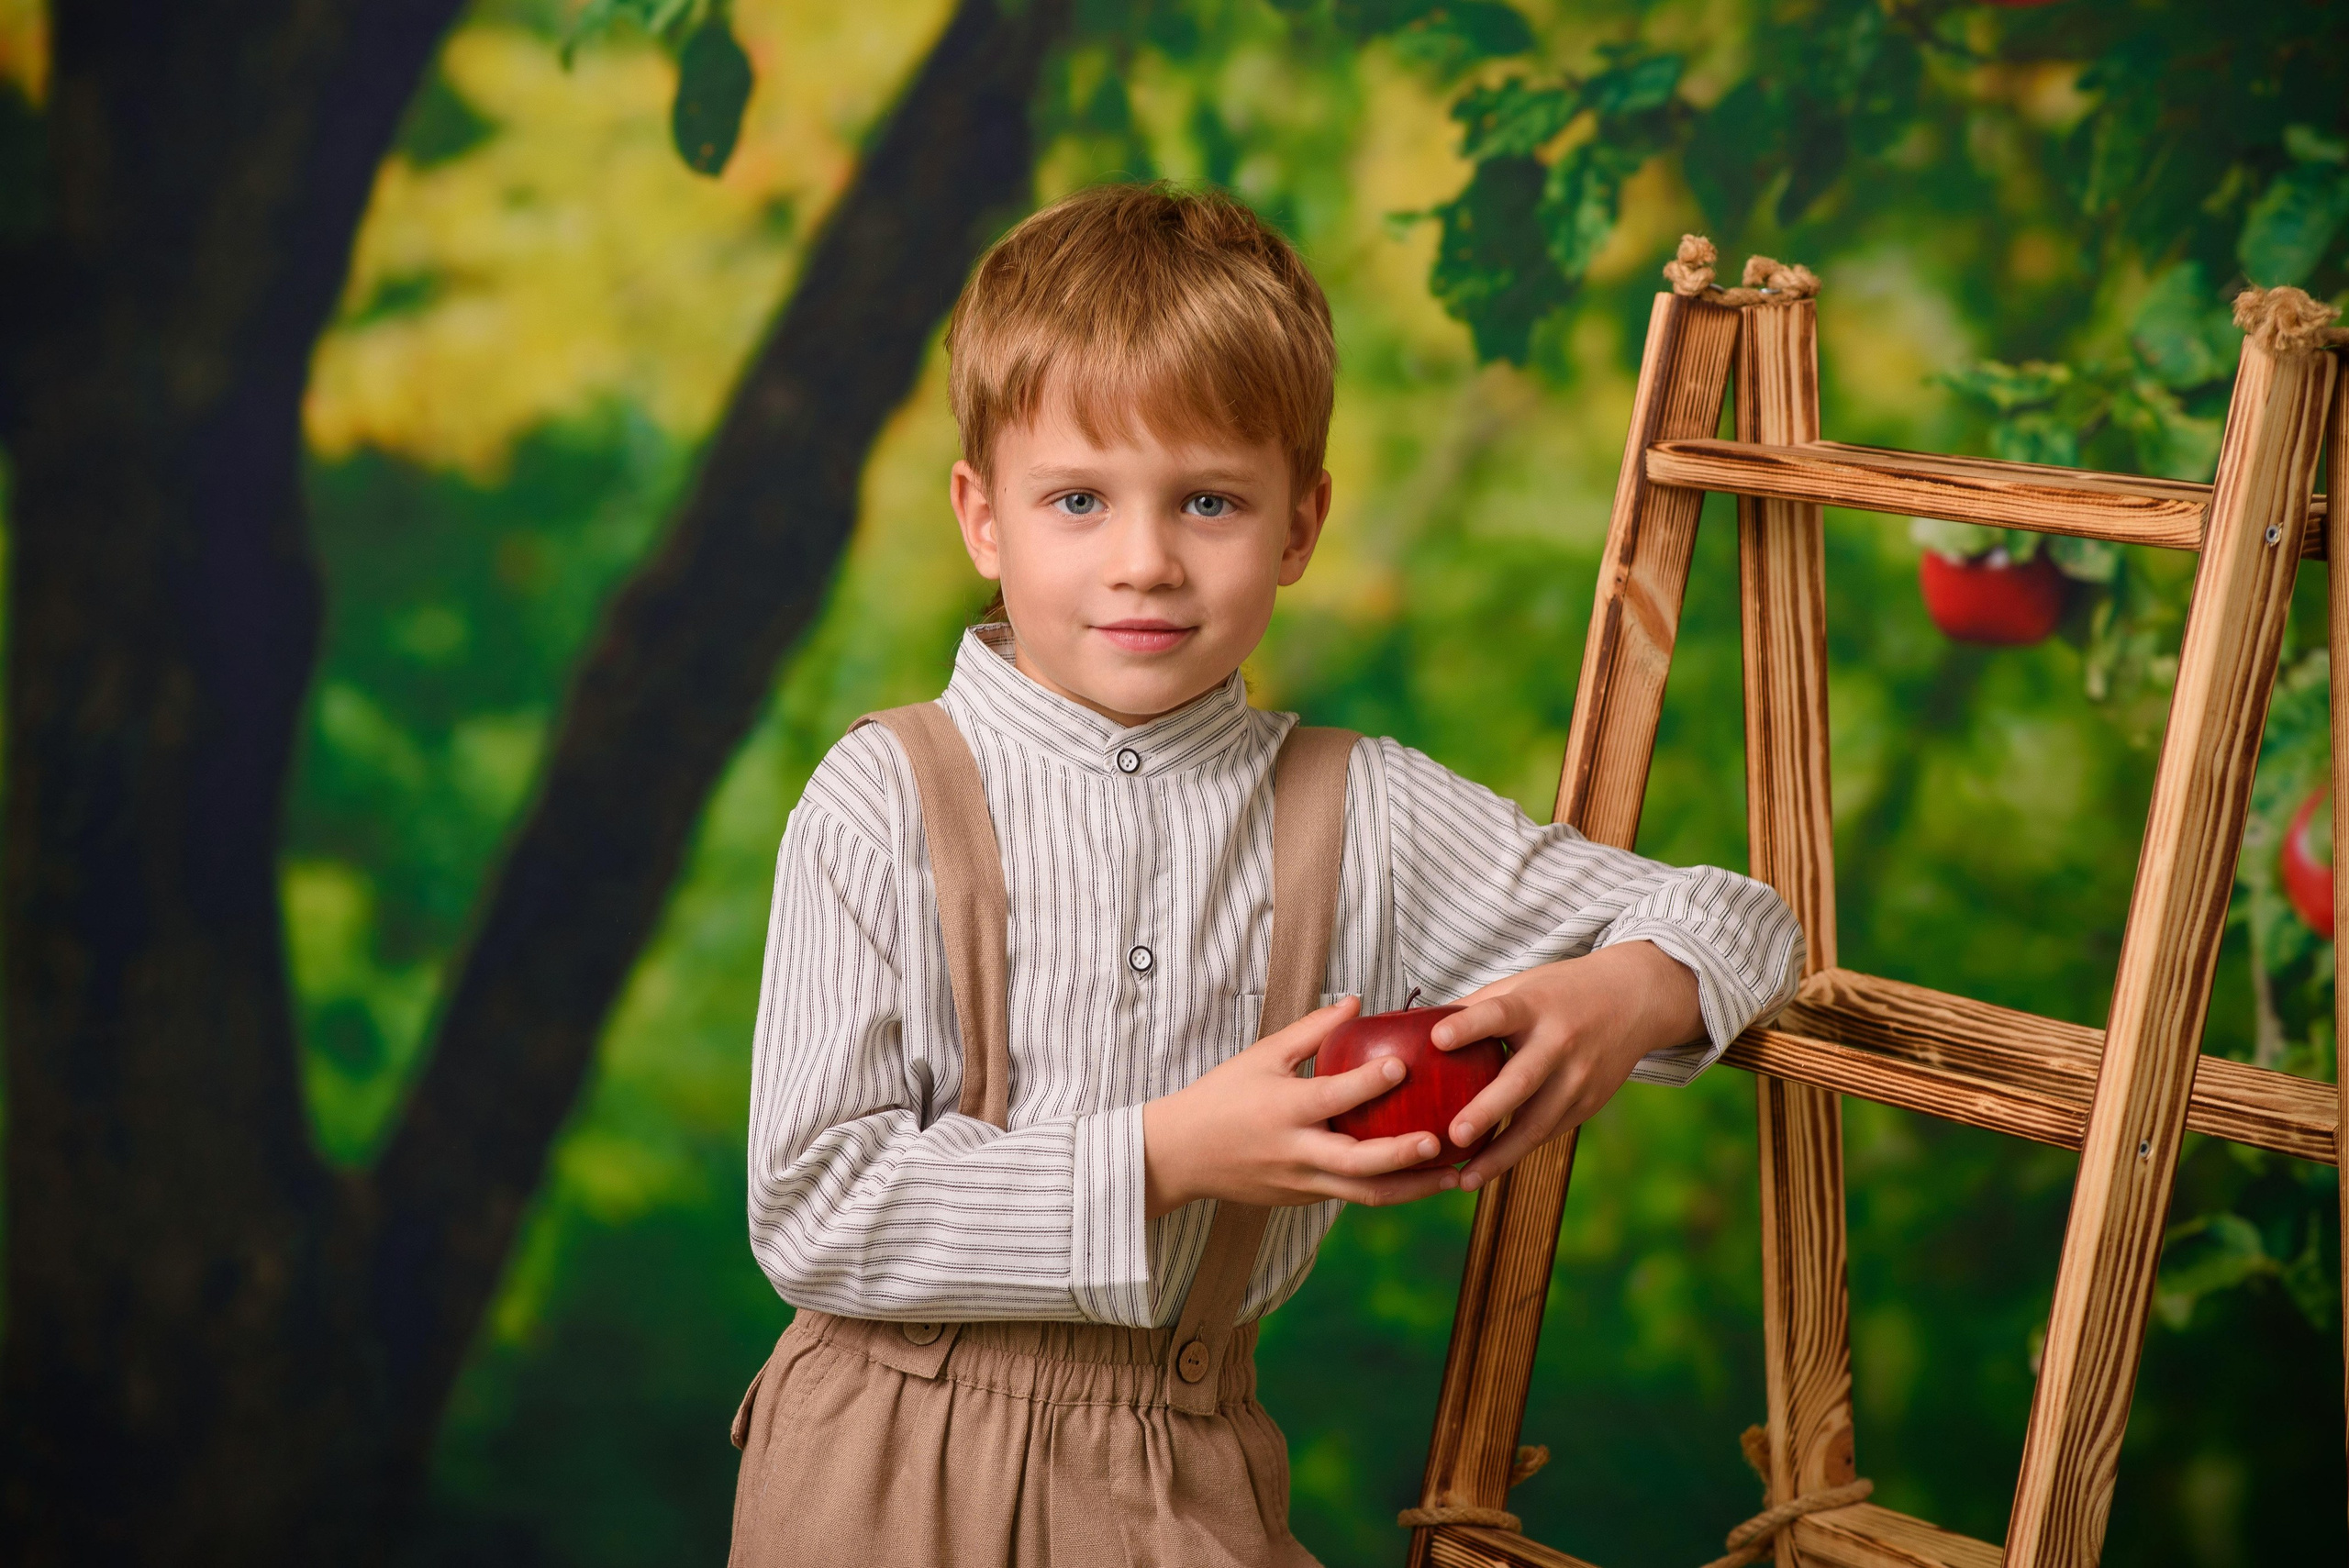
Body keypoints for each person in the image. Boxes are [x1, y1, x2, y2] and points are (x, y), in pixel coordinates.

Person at [728, 181, 1803, 1567]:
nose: (1145, 561)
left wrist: (1624, 997)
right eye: (1077, 498)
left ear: (1301, 525)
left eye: (1211, 500)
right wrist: (1166, 1157)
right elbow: (814, 1202)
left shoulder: (1359, 812)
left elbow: (1741, 914)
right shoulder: (881, 799)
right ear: (983, 518)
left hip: (1181, 1473)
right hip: (880, 1470)